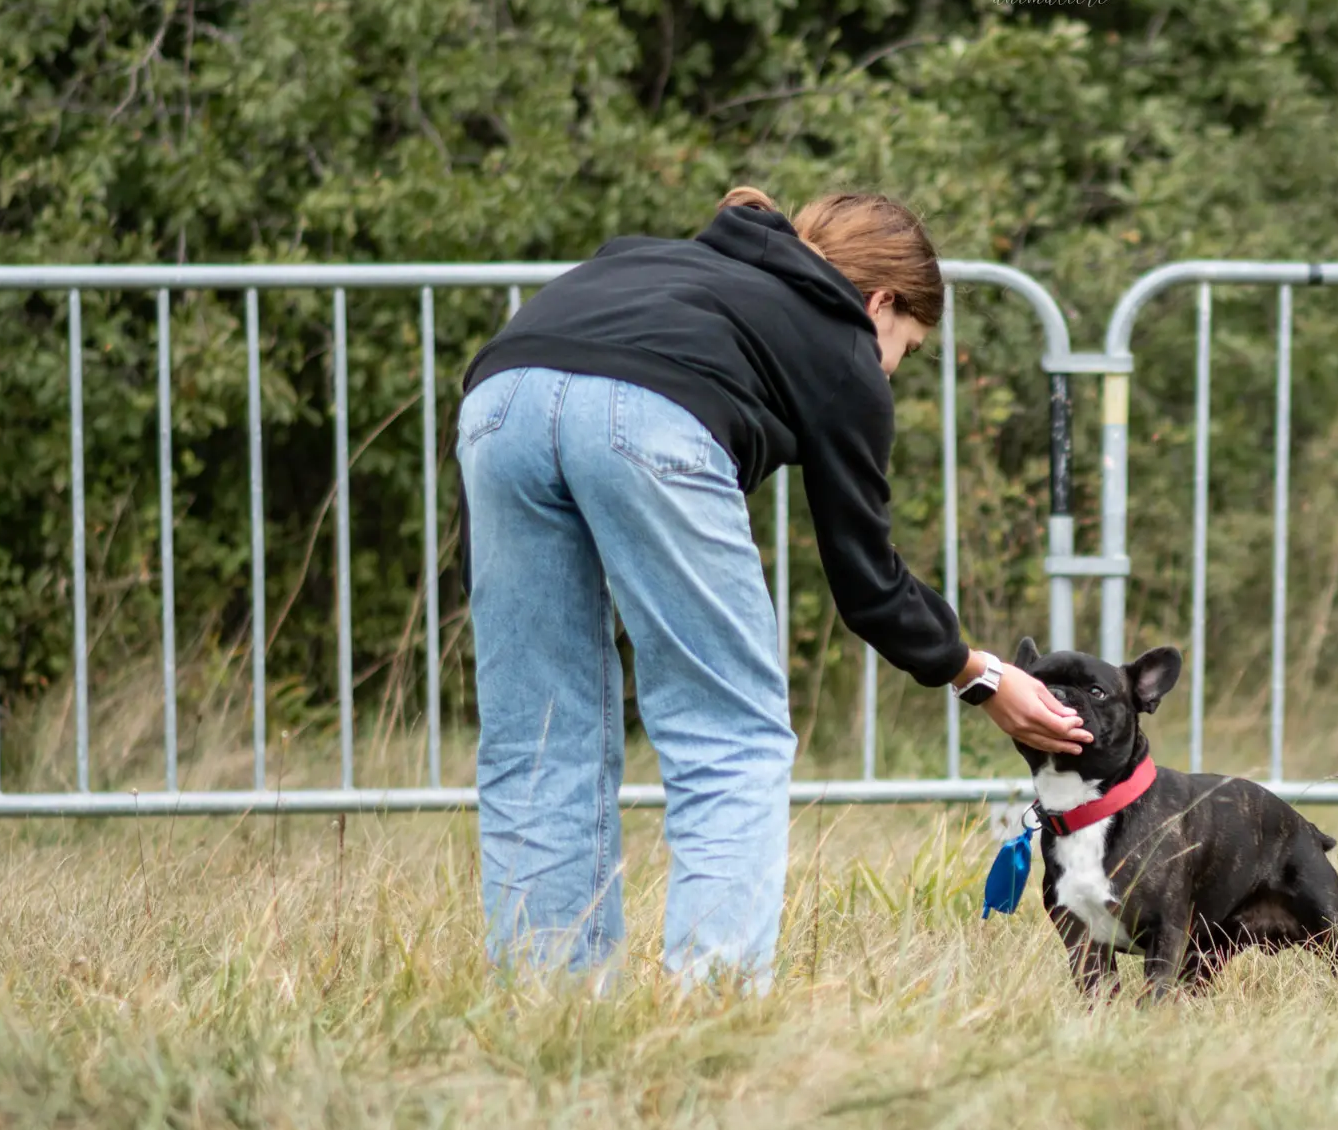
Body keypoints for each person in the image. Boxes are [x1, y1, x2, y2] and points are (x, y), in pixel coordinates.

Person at [456, 186, 1091, 988]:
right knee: (731, 738)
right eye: (908, 346)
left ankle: (543, 1009)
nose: (892, 367)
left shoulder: (657, 260)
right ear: (880, 301)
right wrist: (981, 675)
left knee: (538, 738)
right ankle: (713, 1010)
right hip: (649, 412)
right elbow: (868, 581)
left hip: (497, 401)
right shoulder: (841, 340)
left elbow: (548, 377)